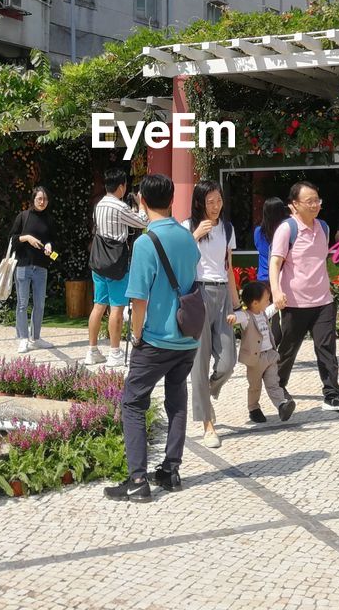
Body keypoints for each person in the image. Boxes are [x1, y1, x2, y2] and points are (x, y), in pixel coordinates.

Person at [107, 173, 201, 502]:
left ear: (142, 202)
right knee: (177, 401)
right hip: (187, 339)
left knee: (133, 403)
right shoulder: (188, 238)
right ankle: (170, 471)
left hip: (156, 339)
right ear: (172, 200)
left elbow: (138, 299)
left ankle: (137, 481)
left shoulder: (146, 242)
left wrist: (136, 337)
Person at [271, 181, 339, 412]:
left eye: (317, 200)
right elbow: (275, 262)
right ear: (294, 205)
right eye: (310, 201)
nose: (315, 205)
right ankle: (277, 387)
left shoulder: (324, 228)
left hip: (323, 301)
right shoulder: (287, 229)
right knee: (287, 350)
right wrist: (277, 291)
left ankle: (332, 394)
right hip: (294, 303)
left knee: (326, 348)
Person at [182, 180, 239, 448]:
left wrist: (236, 304)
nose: (215, 206)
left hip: (223, 295)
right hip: (198, 293)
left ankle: (209, 388)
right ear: (199, 203)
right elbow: (178, 260)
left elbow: (228, 267)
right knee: (200, 360)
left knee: (228, 360)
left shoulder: (227, 228)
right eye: (210, 202)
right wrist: (193, 237)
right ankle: (208, 424)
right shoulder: (186, 227)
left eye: (219, 200)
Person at [86, 168, 149, 368]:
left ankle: (92, 350)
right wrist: (141, 204)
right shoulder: (119, 207)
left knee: (98, 306)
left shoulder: (99, 205)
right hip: (116, 262)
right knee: (116, 308)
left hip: (98, 261)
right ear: (121, 186)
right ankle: (114, 352)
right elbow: (142, 222)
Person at [226, 280, 296, 424]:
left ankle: (282, 405)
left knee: (273, 383)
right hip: (255, 360)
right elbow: (238, 317)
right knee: (255, 386)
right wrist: (233, 317)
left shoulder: (263, 313)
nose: (268, 301)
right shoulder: (246, 316)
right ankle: (253, 409)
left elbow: (272, 309)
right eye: (266, 299)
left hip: (270, 355)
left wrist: (278, 304)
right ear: (255, 303)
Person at [9, 186, 55, 352]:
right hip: (23, 266)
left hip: (41, 267)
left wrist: (50, 245)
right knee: (22, 304)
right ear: (33, 200)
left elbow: (53, 239)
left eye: (45, 199)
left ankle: (35, 337)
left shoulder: (49, 219)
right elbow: (12, 239)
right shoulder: (23, 217)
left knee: (40, 304)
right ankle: (22, 338)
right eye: (39, 199)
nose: (42, 202)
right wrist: (27, 237)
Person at [253, 197, 289, 280]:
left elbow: (258, 246)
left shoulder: (258, 232)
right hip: (281, 278)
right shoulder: (285, 231)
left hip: (263, 278)